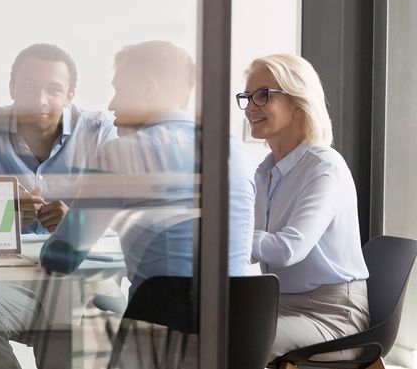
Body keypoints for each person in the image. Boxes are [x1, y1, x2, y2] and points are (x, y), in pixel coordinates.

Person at [40, 40, 255, 296]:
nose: (111, 105)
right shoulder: (236, 150)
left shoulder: (123, 152)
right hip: (234, 328)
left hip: (160, 326)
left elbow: (61, 259)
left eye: (119, 90)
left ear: (148, 89)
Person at [0, 44, 117, 369]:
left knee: (98, 315)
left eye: (53, 89)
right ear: (12, 87)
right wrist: (5, 214)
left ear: (70, 94)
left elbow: (118, 212)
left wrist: (77, 223)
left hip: (80, 272)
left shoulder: (98, 130)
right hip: (4, 274)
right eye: (28, 86)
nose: (40, 100)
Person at [237, 54, 369, 361]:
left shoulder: (324, 168)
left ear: (298, 104)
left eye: (262, 95)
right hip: (278, 305)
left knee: (228, 343)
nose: (251, 106)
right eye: (247, 97)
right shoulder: (265, 172)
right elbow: (254, 248)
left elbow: (287, 248)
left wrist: (230, 236)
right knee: (197, 331)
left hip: (334, 316)